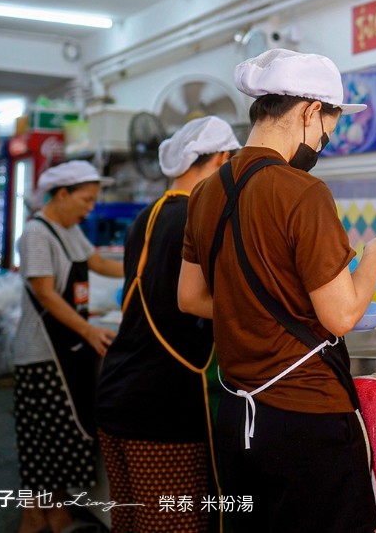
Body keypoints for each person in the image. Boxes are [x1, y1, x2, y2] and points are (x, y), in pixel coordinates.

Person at [178, 48, 376, 533]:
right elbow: (340, 316)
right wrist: (375, 258)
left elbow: (190, 298)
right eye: (326, 132)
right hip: (308, 418)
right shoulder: (303, 192)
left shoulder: (205, 192)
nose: (322, 145)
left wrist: (249, 308)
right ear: (308, 112)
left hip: (237, 417)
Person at [96, 116, 240, 533]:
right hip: (162, 407)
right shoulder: (195, 218)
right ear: (219, 161)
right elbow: (204, 301)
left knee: (130, 522)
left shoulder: (147, 217)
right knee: (172, 525)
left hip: (119, 392)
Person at [12, 160, 124, 533]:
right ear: (62, 195)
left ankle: (55, 508)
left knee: (64, 434)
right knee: (39, 436)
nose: (90, 208)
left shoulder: (68, 229)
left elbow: (96, 262)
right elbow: (45, 293)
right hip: (41, 353)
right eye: (86, 200)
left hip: (69, 345)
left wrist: (143, 265)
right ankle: (33, 513)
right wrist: (90, 331)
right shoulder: (36, 234)